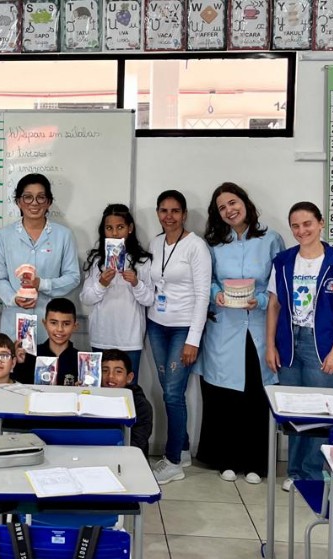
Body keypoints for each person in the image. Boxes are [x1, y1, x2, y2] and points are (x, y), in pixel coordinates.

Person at [197, 183, 285, 485]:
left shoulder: (271, 239)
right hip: (225, 327)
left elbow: (279, 284)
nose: (229, 210)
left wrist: (259, 301)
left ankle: (256, 463)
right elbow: (205, 280)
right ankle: (227, 459)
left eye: (232, 203)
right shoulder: (213, 244)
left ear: (245, 203)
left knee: (256, 396)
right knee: (225, 395)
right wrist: (216, 294)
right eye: (222, 208)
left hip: (259, 326)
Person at [266, 202, 333, 487]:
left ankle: (313, 474)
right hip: (289, 342)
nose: (301, 230)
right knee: (294, 410)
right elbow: (273, 305)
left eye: (307, 223)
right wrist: (270, 345)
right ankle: (295, 473)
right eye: (295, 225)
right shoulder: (283, 261)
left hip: (323, 345)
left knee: (319, 411)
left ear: (321, 224)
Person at [146, 190, 211, 485]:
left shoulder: (196, 247)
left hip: (184, 327)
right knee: (167, 390)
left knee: (173, 394)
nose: (168, 216)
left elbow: (202, 296)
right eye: (163, 210)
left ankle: (172, 461)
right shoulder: (156, 243)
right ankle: (182, 449)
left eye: (175, 211)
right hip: (156, 324)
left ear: (184, 214)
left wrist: (193, 339)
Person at [0, 173, 80, 340]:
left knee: (47, 365)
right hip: (16, 318)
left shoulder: (63, 235)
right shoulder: (5, 235)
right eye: (27, 197)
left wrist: (43, 284)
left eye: (41, 197)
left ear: (49, 202)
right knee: (18, 364)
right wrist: (14, 299)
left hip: (51, 323)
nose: (34, 203)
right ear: (18, 201)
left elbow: (73, 277)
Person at [80, 204, 154, 376]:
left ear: (130, 229)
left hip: (130, 339)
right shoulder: (97, 260)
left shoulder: (142, 261)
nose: (114, 233)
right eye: (109, 228)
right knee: (99, 389)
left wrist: (136, 283)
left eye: (120, 227)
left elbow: (149, 299)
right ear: (103, 231)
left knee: (128, 389)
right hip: (101, 336)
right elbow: (86, 299)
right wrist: (101, 284)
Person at [13, 298, 81, 386]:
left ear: (75, 326)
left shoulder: (81, 360)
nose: (59, 329)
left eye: (66, 324)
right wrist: (20, 364)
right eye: (53, 323)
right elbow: (19, 389)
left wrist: (81, 390)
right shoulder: (30, 355)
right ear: (45, 324)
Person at [99, 349, 152, 458]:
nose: (110, 377)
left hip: (127, 460)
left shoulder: (141, 405)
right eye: (105, 370)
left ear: (129, 377)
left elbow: (136, 445)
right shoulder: (90, 398)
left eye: (118, 371)